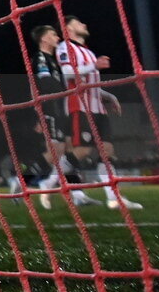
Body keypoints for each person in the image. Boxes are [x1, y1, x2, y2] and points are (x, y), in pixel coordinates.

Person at [55, 15, 143, 210]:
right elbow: (68, 74)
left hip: (97, 108)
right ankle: (51, 180)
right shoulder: (65, 47)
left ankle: (114, 198)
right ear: (67, 29)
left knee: (107, 150)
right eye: (78, 22)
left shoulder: (88, 52)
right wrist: (94, 66)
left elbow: (90, 83)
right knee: (82, 151)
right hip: (79, 106)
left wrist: (108, 96)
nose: (84, 24)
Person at [28, 25, 100, 209]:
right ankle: (21, 180)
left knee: (68, 151)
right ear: (44, 39)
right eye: (53, 34)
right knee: (56, 153)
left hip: (62, 108)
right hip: (51, 109)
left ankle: (77, 194)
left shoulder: (52, 60)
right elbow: (43, 82)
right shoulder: (40, 58)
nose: (57, 37)